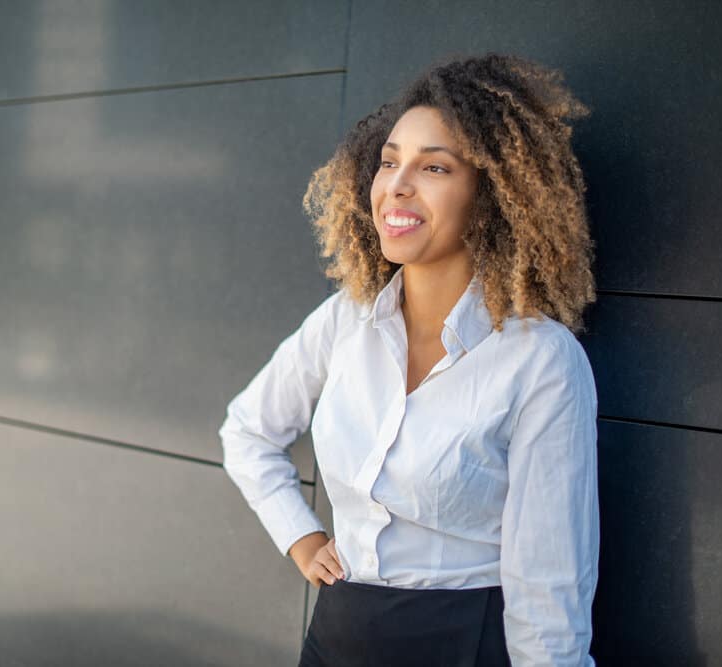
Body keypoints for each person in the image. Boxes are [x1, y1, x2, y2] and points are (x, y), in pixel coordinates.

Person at [218, 53, 599, 667]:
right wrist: (302, 536)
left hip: (460, 645)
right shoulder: (347, 319)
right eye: (390, 161)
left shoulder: (541, 361)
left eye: (434, 167)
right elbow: (247, 431)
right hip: (335, 637)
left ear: (492, 195)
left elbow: (550, 580)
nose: (397, 183)